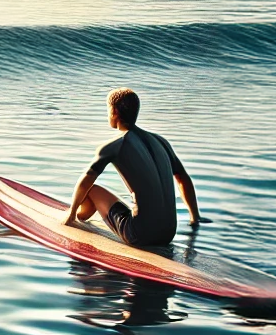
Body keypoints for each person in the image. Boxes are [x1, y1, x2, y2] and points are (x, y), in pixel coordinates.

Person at [63, 87, 204, 246]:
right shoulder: (161, 142)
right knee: (134, 205)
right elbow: (182, 178)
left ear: (114, 111)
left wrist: (71, 213)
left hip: (139, 235)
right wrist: (194, 217)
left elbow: (86, 179)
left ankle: (77, 218)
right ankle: (83, 217)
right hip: (169, 234)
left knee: (91, 189)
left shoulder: (115, 145)